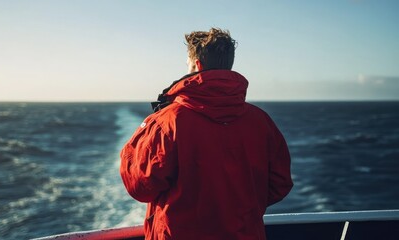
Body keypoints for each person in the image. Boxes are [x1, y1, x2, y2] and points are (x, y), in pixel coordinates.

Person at [120, 28, 293, 240]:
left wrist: (145, 129)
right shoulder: (261, 121)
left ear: (196, 65)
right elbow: (280, 183)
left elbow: (140, 186)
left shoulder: (168, 121)